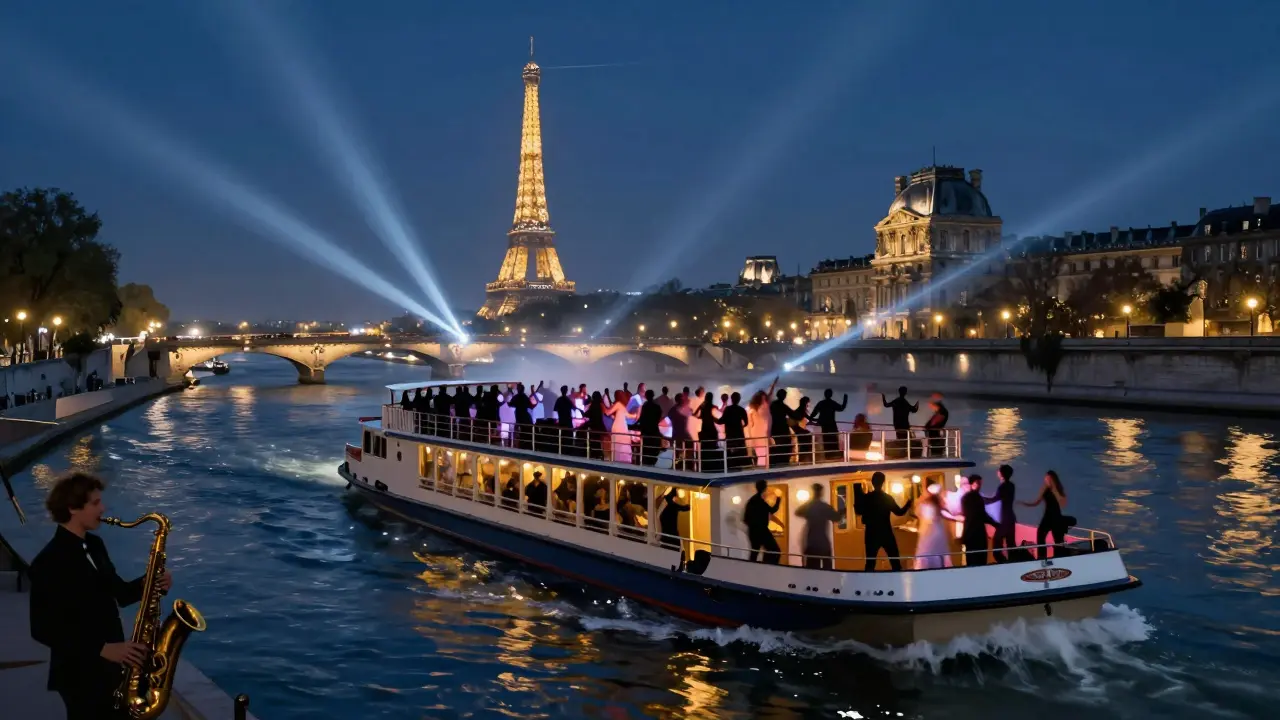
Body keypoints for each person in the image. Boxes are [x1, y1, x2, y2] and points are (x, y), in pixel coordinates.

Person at [28, 472, 173, 720]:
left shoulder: (95, 545)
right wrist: (102, 649)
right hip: (79, 672)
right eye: (95, 503)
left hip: (112, 665)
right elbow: (43, 629)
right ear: (73, 508)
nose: (103, 508)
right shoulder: (48, 562)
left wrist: (151, 583)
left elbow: (119, 593)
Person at [856, 471, 912, 570]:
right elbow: (899, 512)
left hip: (871, 533)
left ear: (872, 482)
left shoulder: (866, 498)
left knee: (870, 563)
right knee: (895, 561)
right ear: (883, 482)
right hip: (886, 532)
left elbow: (859, 511)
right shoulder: (887, 498)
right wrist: (908, 504)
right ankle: (899, 582)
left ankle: (867, 583)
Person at [1021, 470, 1069, 559]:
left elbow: (1062, 503)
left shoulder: (1058, 489)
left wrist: (1054, 489)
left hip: (1056, 516)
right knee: (1040, 535)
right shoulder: (1045, 489)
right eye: (1046, 477)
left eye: (1048, 478)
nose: (1046, 479)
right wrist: (1027, 504)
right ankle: (1042, 556)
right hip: (1047, 516)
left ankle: (1061, 557)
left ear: (1053, 479)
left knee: (1058, 539)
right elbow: (1037, 501)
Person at [794, 483, 842, 569]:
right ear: (821, 493)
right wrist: (843, 511)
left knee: (812, 570)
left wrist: (809, 503)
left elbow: (798, 512)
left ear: (813, 493)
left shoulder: (809, 506)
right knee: (827, 569)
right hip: (823, 543)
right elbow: (837, 518)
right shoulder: (825, 507)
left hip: (811, 543)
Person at [960, 474, 999, 566]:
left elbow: (972, 516)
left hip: (971, 533)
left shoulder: (966, 498)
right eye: (978, 483)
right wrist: (995, 523)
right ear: (971, 484)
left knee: (972, 560)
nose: (980, 485)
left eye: (980, 483)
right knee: (980, 559)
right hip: (977, 533)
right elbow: (981, 515)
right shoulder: (975, 498)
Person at [743, 480, 782, 563]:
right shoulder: (759, 501)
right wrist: (778, 499)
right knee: (775, 550)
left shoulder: (752, 501)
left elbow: (745, 519)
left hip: (753, 531)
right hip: (761, 530)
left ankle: (756, 568)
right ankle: (767, 566)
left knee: (755, 552)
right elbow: (772, 510)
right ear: (764, 488)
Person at [914, 484, 951, 569]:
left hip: (927, 538)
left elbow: (919, 514)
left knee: (925, 562)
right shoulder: (939, 506)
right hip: (937, 536)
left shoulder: (924, 505)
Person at [986, 464, 1017, 562]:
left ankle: (1004, 564)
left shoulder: (1002, 487)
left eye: (999, 471)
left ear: (1002, 474)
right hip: (1011, 518)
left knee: (996, 547)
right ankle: (1013, 565)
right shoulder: (1012, 485)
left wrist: (981, 499)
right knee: (1011, 545)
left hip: (1004, 519)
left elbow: (994, 500)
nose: (997, 472)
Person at [811, 389, 848, 460]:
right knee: (833, 439)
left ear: (825, 394)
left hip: (824, 425)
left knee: (826, 440)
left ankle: (828, 455)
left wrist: (811, 418)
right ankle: (833, 455)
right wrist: (845, 399)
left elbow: (814, 413)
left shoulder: (821, 403)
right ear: (831, 395)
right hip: (831, 424)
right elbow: (841, 408)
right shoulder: (832, 403)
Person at [880, 386, 918, 457]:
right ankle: (906, 454)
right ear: (905, 393)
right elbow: (914, 410)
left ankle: (900, 453)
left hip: (897, 424)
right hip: (905, 424)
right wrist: (917, 404)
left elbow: (886, 405)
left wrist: (883, 397)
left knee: (900, 438)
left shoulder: (896, 401)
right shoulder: (905, 402)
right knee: (906, 439)